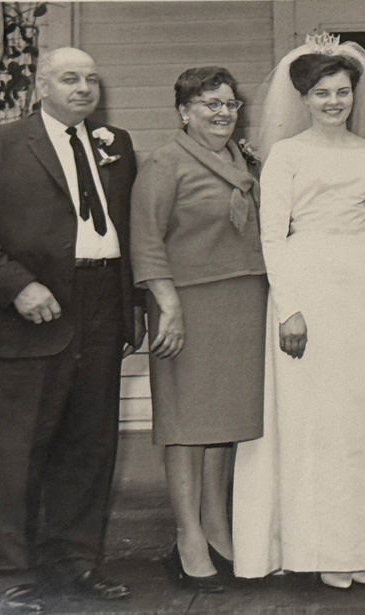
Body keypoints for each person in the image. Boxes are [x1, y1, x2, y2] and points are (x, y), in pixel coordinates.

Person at [0, 47, 144, 613]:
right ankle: (13, 575)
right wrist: (18, 287)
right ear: (41, 86)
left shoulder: (116, 146)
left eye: (91, 79)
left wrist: (134, 305)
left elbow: (130, 228)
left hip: (102, 305)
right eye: (69, 78)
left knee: (89, 444)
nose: (83, 88)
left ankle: (75, 564)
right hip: (27, 312)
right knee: (17, 451)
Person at [232, 37, 365, 589]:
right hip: (308, 280)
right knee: (316, 417)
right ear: (305, 98)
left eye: (343, 92)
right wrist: (289, 307)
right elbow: (272, 234)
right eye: (322, 93)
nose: (335, 102)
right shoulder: (288, 155)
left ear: (356, 95)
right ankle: (319, 547)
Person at [130, 66, 267, 594]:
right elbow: (145, 238)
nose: (222, 112)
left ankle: (216, 528)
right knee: (186, 425)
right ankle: (187, 538)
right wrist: (167, 304)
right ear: (184, 112)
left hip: (242, 300)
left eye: (230, 103)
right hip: (186, 304)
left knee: (225, 424)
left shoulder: (243, 158)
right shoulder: (166, 163)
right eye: (210, 104)